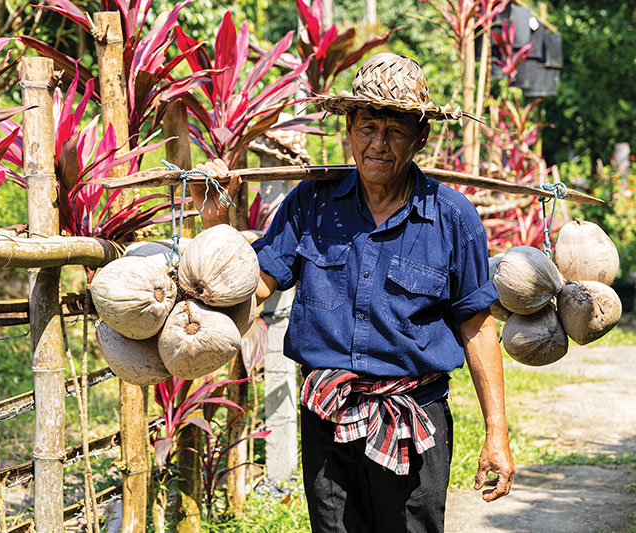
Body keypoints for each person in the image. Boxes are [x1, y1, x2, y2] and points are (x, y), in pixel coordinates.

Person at [192, 52, 514, 533]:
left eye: (395, 131)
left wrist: (497, 433)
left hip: (413, 420)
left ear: (421, 137)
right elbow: (255, 285)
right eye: (367, 127)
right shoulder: (311, 204)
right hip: (328, 416)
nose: (378, 144)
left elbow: (477, 325)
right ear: (349, 129)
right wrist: (216, 225)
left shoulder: (451, 217)